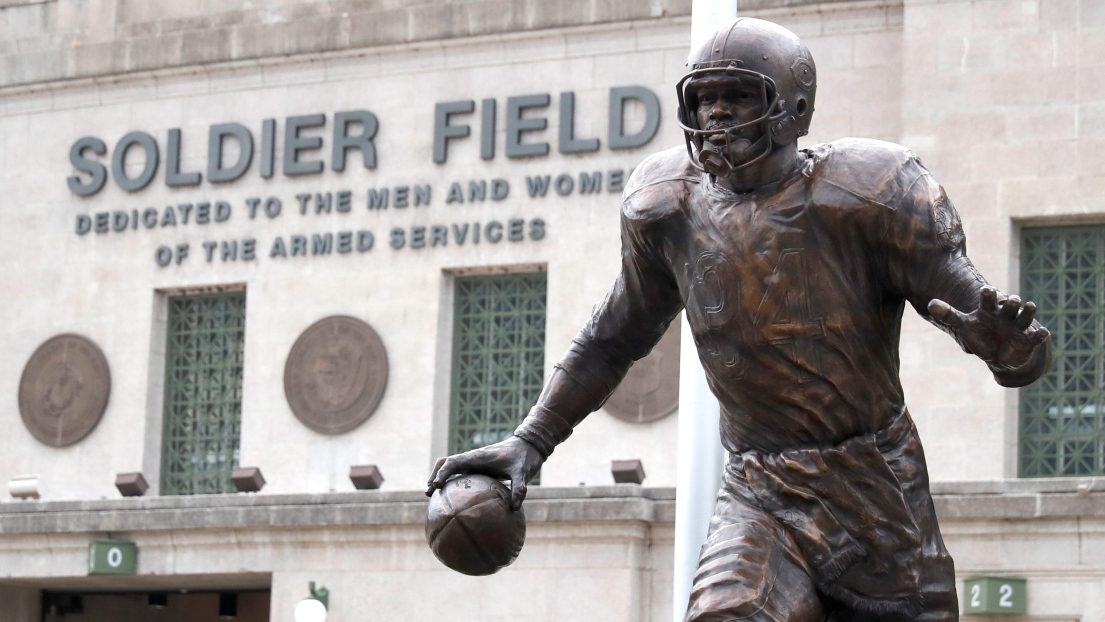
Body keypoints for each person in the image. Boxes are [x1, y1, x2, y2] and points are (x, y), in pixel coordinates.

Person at [427, 17, 1051, 622]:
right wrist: (530, 442)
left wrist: (1011, 352)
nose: (716, 115)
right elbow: (612, 337)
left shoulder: (870, 192)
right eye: (704, 100)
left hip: (874, 482)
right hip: (760, 485)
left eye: (737, 96)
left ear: (795, 109)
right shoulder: (667, 204)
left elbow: (980, 312)